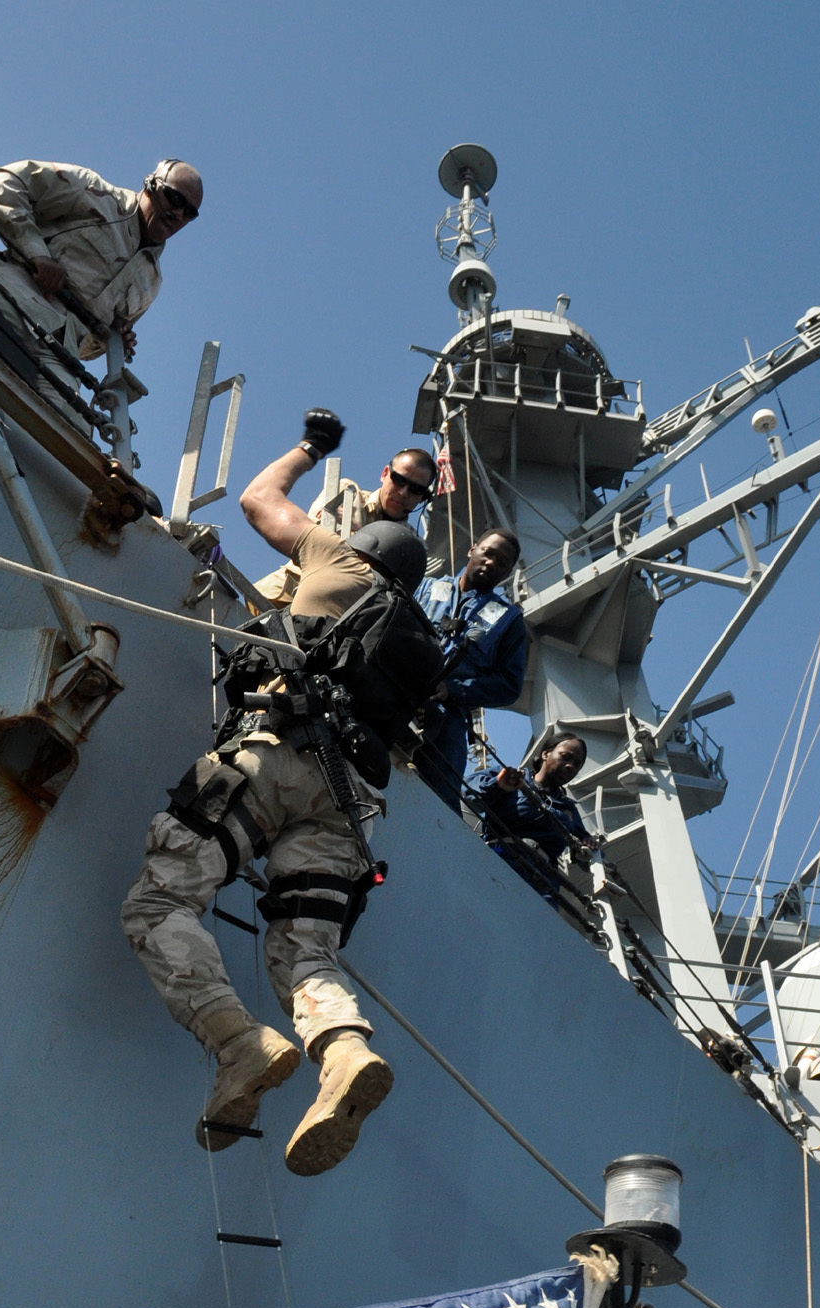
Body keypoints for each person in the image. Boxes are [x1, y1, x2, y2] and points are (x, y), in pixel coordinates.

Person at [121, 410, 445, 1177]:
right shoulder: (422, 644)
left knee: (159, 902)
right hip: (348, 802)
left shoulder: (334, 557)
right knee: (307, 954)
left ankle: (238, 1045)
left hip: (276, 758)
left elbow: (258, 500)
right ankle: (342, 1054)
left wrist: (309, 451)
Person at [0, 157, 203, 367]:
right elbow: (5, 181)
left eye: (190, 213)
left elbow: (86, 350)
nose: (178, 213)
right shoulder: (95, 194)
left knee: (62, 408)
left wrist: (110, 341)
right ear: (151, 185)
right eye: (175, 199)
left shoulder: (150, 283)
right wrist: (36, 254)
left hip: (55, 355)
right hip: (10, 299)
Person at [414, 531, 528, 811]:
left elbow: (509, 685)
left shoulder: (509, 620)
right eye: (488, 553)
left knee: (439, 802)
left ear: (507, 573)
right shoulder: (425, 587)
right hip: (397, 691)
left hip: (446, 719)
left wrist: (453, 690)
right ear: (472, 549)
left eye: (502, 563)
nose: (491, 563)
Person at [254, 448, 438, 606]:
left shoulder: (412, 546)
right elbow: (318, 544)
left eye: (415, 489)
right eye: (398, 479)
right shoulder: (347, 493)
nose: (403, 492)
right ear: (384, 474)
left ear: (423, 497)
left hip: (330, 623)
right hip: (282, 595)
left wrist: (357, 532)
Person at [469, 733, 594, 900]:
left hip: (544, 882)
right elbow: (468, 790)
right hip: (500, 859)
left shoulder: (568, 809)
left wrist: (590, 846)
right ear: (545, 754)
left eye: (577, 764)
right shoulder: (511, 776)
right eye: (566, 757)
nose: (570, 766)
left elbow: (585, 855)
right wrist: (498, 785)